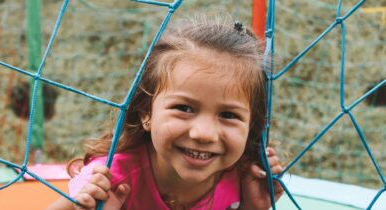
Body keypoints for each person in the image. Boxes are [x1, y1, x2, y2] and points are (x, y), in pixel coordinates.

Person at [47, 16, 284, 210]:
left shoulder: (243, 177)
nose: (204, 133)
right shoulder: (109, 179)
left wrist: (252, 208)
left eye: (228, 115)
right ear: (145, 113)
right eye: (184, 108)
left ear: (251, 125)